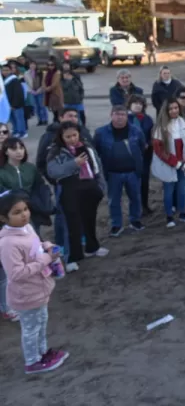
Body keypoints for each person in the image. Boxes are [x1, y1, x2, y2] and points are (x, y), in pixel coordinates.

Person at [0, 192, 70, 374]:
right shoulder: (7, 244)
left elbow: (36, 244)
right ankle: (32, 362)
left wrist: (46, 245)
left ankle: (43, 353)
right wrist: (46, 259)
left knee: (41, 321)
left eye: (25, 209)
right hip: (26, 294)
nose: (24, 214)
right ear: (3, 218)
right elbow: (16, 273)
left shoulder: (27, 228)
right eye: (17, 212)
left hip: (39, 288)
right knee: (31, 328)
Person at [46, 122, 108, 263]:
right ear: (61, 137)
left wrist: (101, 187)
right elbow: (53, 171)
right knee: (72, 225)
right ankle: (73, 257)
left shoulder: (86, 146)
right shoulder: (56, 151)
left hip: (90, 186)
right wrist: (74, 163)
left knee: (90, 219)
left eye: (74, 135)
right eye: (68, 136)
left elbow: (97, 165)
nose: (72, 139)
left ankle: (92, 248)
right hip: (70, 189)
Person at [93, 105, 146, 237]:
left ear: (127, 116)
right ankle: (116, 224)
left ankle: (135, 220)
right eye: (117, 114)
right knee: (114, 200)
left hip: (132, 172)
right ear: (111, 115)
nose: (120, 117)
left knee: (135, 198)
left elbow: (142, 147)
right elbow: (96, 152)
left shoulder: (136, 131)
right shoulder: (101, 133)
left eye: (123, 114)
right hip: (112, 173)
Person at [151, 99, 185, 228]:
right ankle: (169, 216)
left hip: (184, 164)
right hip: (169, 164)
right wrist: (175, 163)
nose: (174, 110)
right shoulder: (161, 127)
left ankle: (182, 213)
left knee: (182, 190)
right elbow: (160, 150)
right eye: (171, 109)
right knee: (169, 191)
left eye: (176, 108)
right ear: (166, 111)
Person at [0, 138, 54, 236]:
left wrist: (43, 199)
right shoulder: (2, 171)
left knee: (33, 235)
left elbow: (39, 185)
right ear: (6, 152)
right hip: (10, 211)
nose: (19, 151)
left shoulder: (30, 168)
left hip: (31, 208)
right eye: (13, 149)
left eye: (21, 148)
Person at [127, 95, 155, 214]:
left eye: (140, 103)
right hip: (130, 156)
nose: (138, 105)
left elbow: (152, 135)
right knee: (133, 182)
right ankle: (135, 207)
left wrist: (148, 143)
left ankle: (144, 205)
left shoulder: (147, 119)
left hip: (145, 155)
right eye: (135, 103)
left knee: (144, 181)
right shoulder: (125, 118)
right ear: (129, 105)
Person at [2, 63, 28, 138]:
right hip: (7, 104)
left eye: (7, 70)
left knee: (19, 118)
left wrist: (14, 104)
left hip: (15, 104)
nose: (5, 72)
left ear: (10, 71)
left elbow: (18, 93)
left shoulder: (14, 80)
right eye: (3, 70)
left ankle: (22, 132)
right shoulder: (3, 80)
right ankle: (16, 130)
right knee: (13, 119)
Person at [60, 61, 86, 126]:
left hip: (77, 101)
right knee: (69, 117)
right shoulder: (61, 77)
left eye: (67, 65)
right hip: (67, 102)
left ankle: (82, 128)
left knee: (80, 116)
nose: (66, 66)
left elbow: (81, 87)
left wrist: (81, 97)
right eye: (64, 65)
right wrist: (69, 80)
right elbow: (63, 87)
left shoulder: (75, 76)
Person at [23, 61, 48, 126]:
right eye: (31, 64)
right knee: (36, 107)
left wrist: (39, 90)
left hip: (40, 91)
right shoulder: (26, 73)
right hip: (32, 91)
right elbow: (26, 83)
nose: (32, 66)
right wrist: (31, 91)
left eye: (34, 64)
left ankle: (44, 119)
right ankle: (40, 120)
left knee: (41, 106)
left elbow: (43, 82)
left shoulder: (40, 72)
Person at [42, 59, 64, 123]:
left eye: (52, 65)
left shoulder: (57, 72)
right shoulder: (45, 73)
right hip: (48, 94)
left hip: (56, 93)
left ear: (55, 65)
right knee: (52, 108)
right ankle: (55, 120)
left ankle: (58, 120)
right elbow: (43, 81)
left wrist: (49, 88)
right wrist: (45, 87)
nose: (50, 66)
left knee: (58, 108)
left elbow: (55, 83)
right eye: (48, 65)